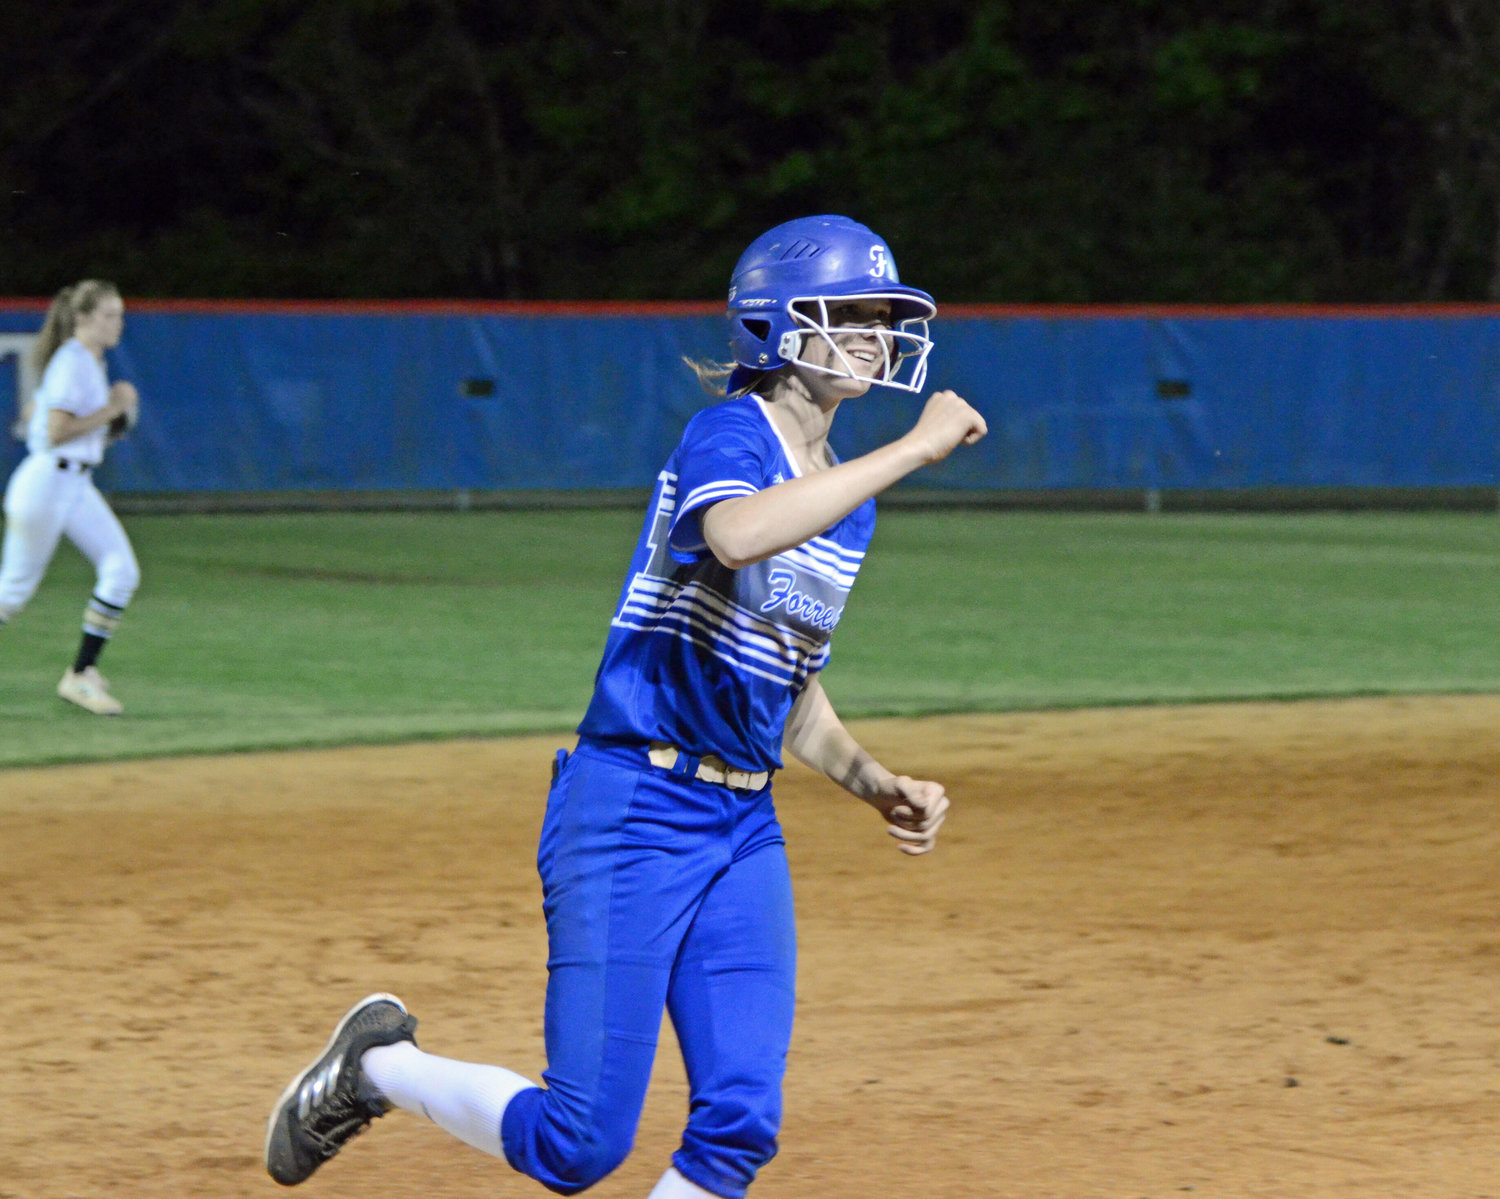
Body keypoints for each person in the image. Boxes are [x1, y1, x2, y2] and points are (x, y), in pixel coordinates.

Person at [264, 215, 988, 1198]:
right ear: (775, 326)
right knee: (579, 1144)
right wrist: (912, 449)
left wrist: (871, 780)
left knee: (739, 1123)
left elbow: (785, 683)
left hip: (743, 824)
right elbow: (734, 533)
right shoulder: (732, 433)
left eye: (884, 315)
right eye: (848, 312)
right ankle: (375, 1065)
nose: (873, 333)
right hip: (634, 809)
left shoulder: (845, 499)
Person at [0, 280, 140, 715]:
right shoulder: (73, 363)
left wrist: (109, 420)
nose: (118, 322)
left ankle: (80, 676)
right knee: (11, 594)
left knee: (121, 571)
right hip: (47, 484)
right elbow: (58, 432)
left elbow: (38, 419)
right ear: (82, 318)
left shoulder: (87, 361)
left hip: (74, 483)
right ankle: (80, 677)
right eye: (108, 314)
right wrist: (113, 410)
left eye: (119, 314)